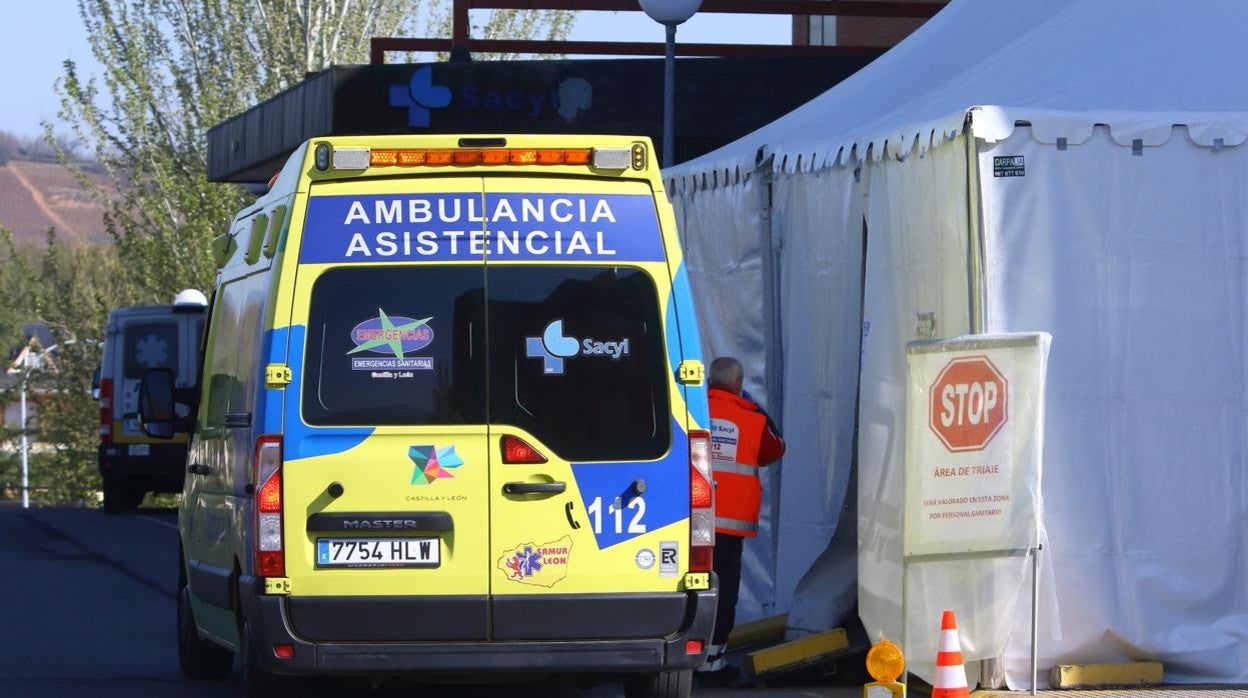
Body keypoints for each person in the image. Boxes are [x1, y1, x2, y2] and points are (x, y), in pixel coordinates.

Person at [698, 356, 785, 685]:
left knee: (691, 587)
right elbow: (775, 449)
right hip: (728, 526)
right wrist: (757, 409)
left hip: (687, 522)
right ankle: (712, 663)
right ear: (738, 385)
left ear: (708, 381)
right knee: (723, 592)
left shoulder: (691, 409)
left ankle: (683, 657)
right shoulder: (751, 420)